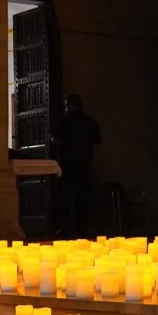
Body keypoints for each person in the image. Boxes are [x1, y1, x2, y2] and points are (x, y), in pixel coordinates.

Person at [51, 93, 102, 238]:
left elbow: (56, 139)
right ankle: (82, 230)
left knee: (65, 197)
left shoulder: (65, 121)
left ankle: (65, 228)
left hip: (67, 165)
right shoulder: (91, 122)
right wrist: (96, 165)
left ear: (69, 105)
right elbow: (97, 145)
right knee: (82, 198)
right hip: (85, 165)